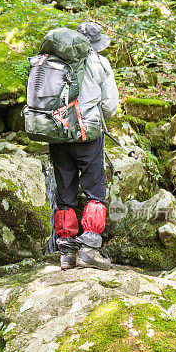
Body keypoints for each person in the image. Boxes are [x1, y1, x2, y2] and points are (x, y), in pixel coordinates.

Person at [50, 21, 119, 271]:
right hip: (87, 134)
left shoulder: (53, 62)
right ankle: (89, 250)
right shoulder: (99, 63)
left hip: (57, 133)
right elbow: (110, 106)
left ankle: (66, 252)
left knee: (64, 191)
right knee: (94, 191)